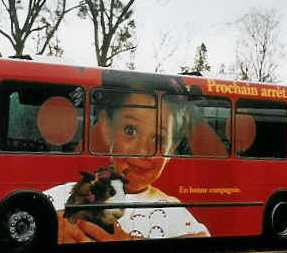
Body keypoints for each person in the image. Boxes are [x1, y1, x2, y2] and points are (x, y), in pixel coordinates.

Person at [45, 73, 209, 243]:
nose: (143, 151)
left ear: (172, 148)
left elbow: (202, 240)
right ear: (107, 128)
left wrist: (129, 242)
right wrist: (51, 227)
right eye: (130, 131)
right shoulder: (68, 194)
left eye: (158, 139)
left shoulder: (169, 208)